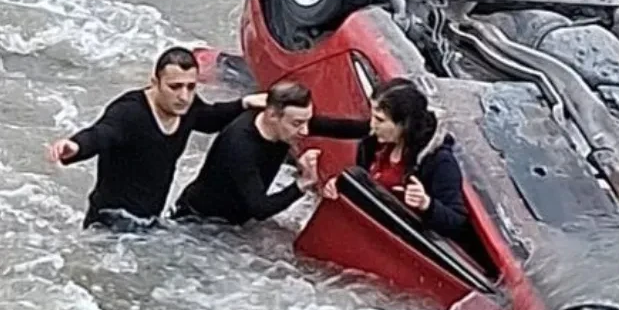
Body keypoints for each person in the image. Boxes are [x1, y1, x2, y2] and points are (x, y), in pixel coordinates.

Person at [46, 46, 265, 229]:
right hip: (110, 222)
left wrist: (244, 104)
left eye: (191, 87)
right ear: (155, 82)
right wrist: (74, 146)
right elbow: (101, 134)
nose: (184, 96)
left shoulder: (186, 107)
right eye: (175, 87)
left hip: (148, 221)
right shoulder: (129, 112)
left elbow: (209, 118)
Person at [171, 80, 368, 224]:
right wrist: (302, 184)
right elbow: (260, 209)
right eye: (298, 123)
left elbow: (338, 127)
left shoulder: (288, 124)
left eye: (308, 121)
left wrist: (378, 127)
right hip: (199, 222)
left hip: (237, 218)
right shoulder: (240, 146)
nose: (306, 131)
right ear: (272, 115)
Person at [323, 83, 468, 237]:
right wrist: (342, 185)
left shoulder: (439, 161)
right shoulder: (372, 145)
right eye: (372, 117)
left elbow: (458, 223)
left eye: (380, 120)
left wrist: (426, 204)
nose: (372, 125)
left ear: (404, 124)